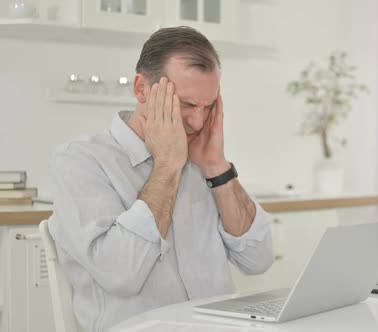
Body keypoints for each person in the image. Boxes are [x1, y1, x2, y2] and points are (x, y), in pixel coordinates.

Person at [48, 26, 273, 331]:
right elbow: (122, 275)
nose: (197, 121)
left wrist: (216, 166)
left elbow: (258, 260)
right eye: (187, 104)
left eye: (207, 107)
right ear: (141, 89)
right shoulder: (81, 161)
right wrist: (167, 166)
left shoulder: (203, 161)